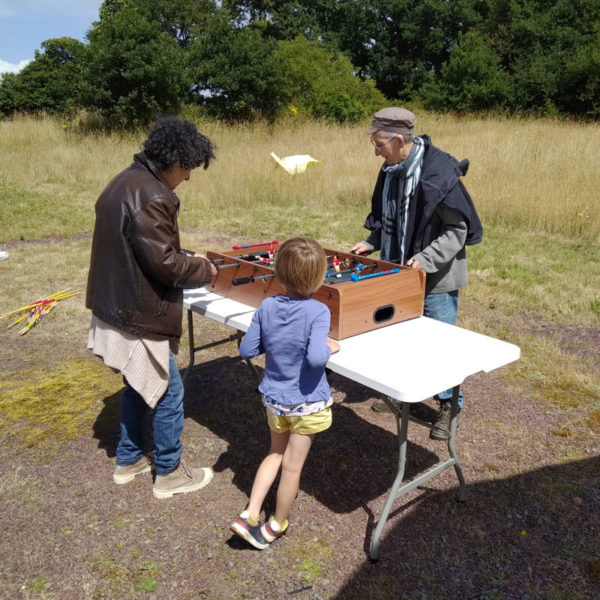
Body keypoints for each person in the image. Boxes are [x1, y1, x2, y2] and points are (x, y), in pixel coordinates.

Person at [86, 117, 218, 498]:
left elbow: (146, 250)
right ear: (176, 161)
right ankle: (170, 472)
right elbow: (167, 265)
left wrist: (181, 256)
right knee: (167, 391)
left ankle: (128, 459)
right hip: (136, 312)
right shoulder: (154, 194)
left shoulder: (125, 178)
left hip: (116, 302)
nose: (189, 177)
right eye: (189, 168)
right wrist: (203, 268)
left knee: (135, 382)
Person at [351, 107, 482, 440]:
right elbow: (391, 218)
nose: (375, 150)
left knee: (438, 346)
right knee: (400, 334)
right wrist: (371, 242)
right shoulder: (392, 168)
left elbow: (457, 230)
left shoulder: (438, 174)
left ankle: (450, 405)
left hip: (435, 277)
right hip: (399, 271)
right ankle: (402, 392)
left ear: (398, 140)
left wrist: (425, 259)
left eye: (379, 144)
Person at [230, 237, 340, 549]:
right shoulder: (319, 311)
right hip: (307, 402)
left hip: (274, 399)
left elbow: (247, 349)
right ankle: (276, 523)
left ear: (277, 272)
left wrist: (276, 340)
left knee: (274, 454)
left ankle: (250, 514)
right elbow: (318, 358)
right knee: (292, 466)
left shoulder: (266, 306)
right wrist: (330, 346)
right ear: (320, 277)